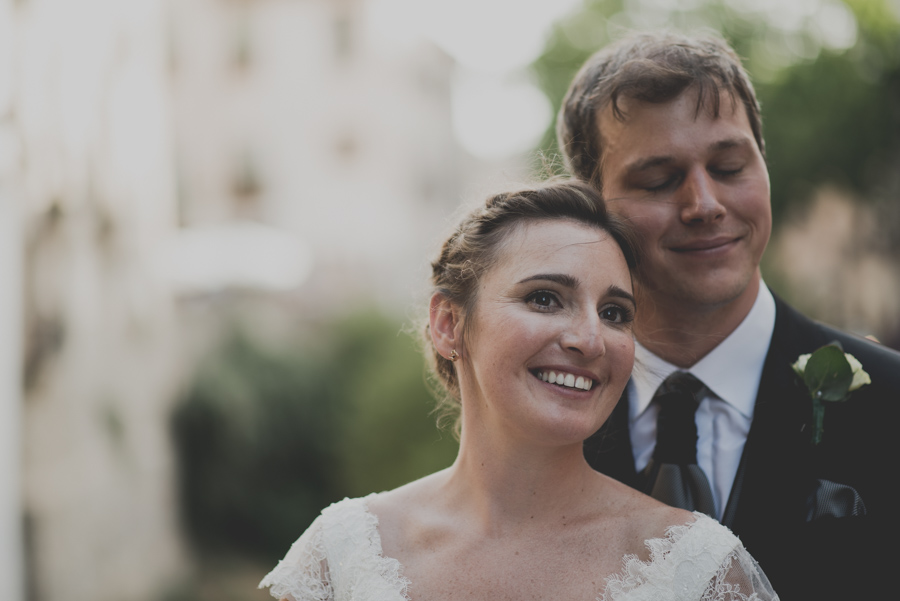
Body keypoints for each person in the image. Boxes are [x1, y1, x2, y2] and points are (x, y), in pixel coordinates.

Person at [259, 180, 779, 600]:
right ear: (448, 324)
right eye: (545, 298)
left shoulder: (696, 569)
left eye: (614, 313)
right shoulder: (344, 556)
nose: (590, 339)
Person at [557, 31, 900, 600]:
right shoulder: (550, 423)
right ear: (590, 207)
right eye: (659, 180)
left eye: (730, 166)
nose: (705, 205)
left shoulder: (891, 400)